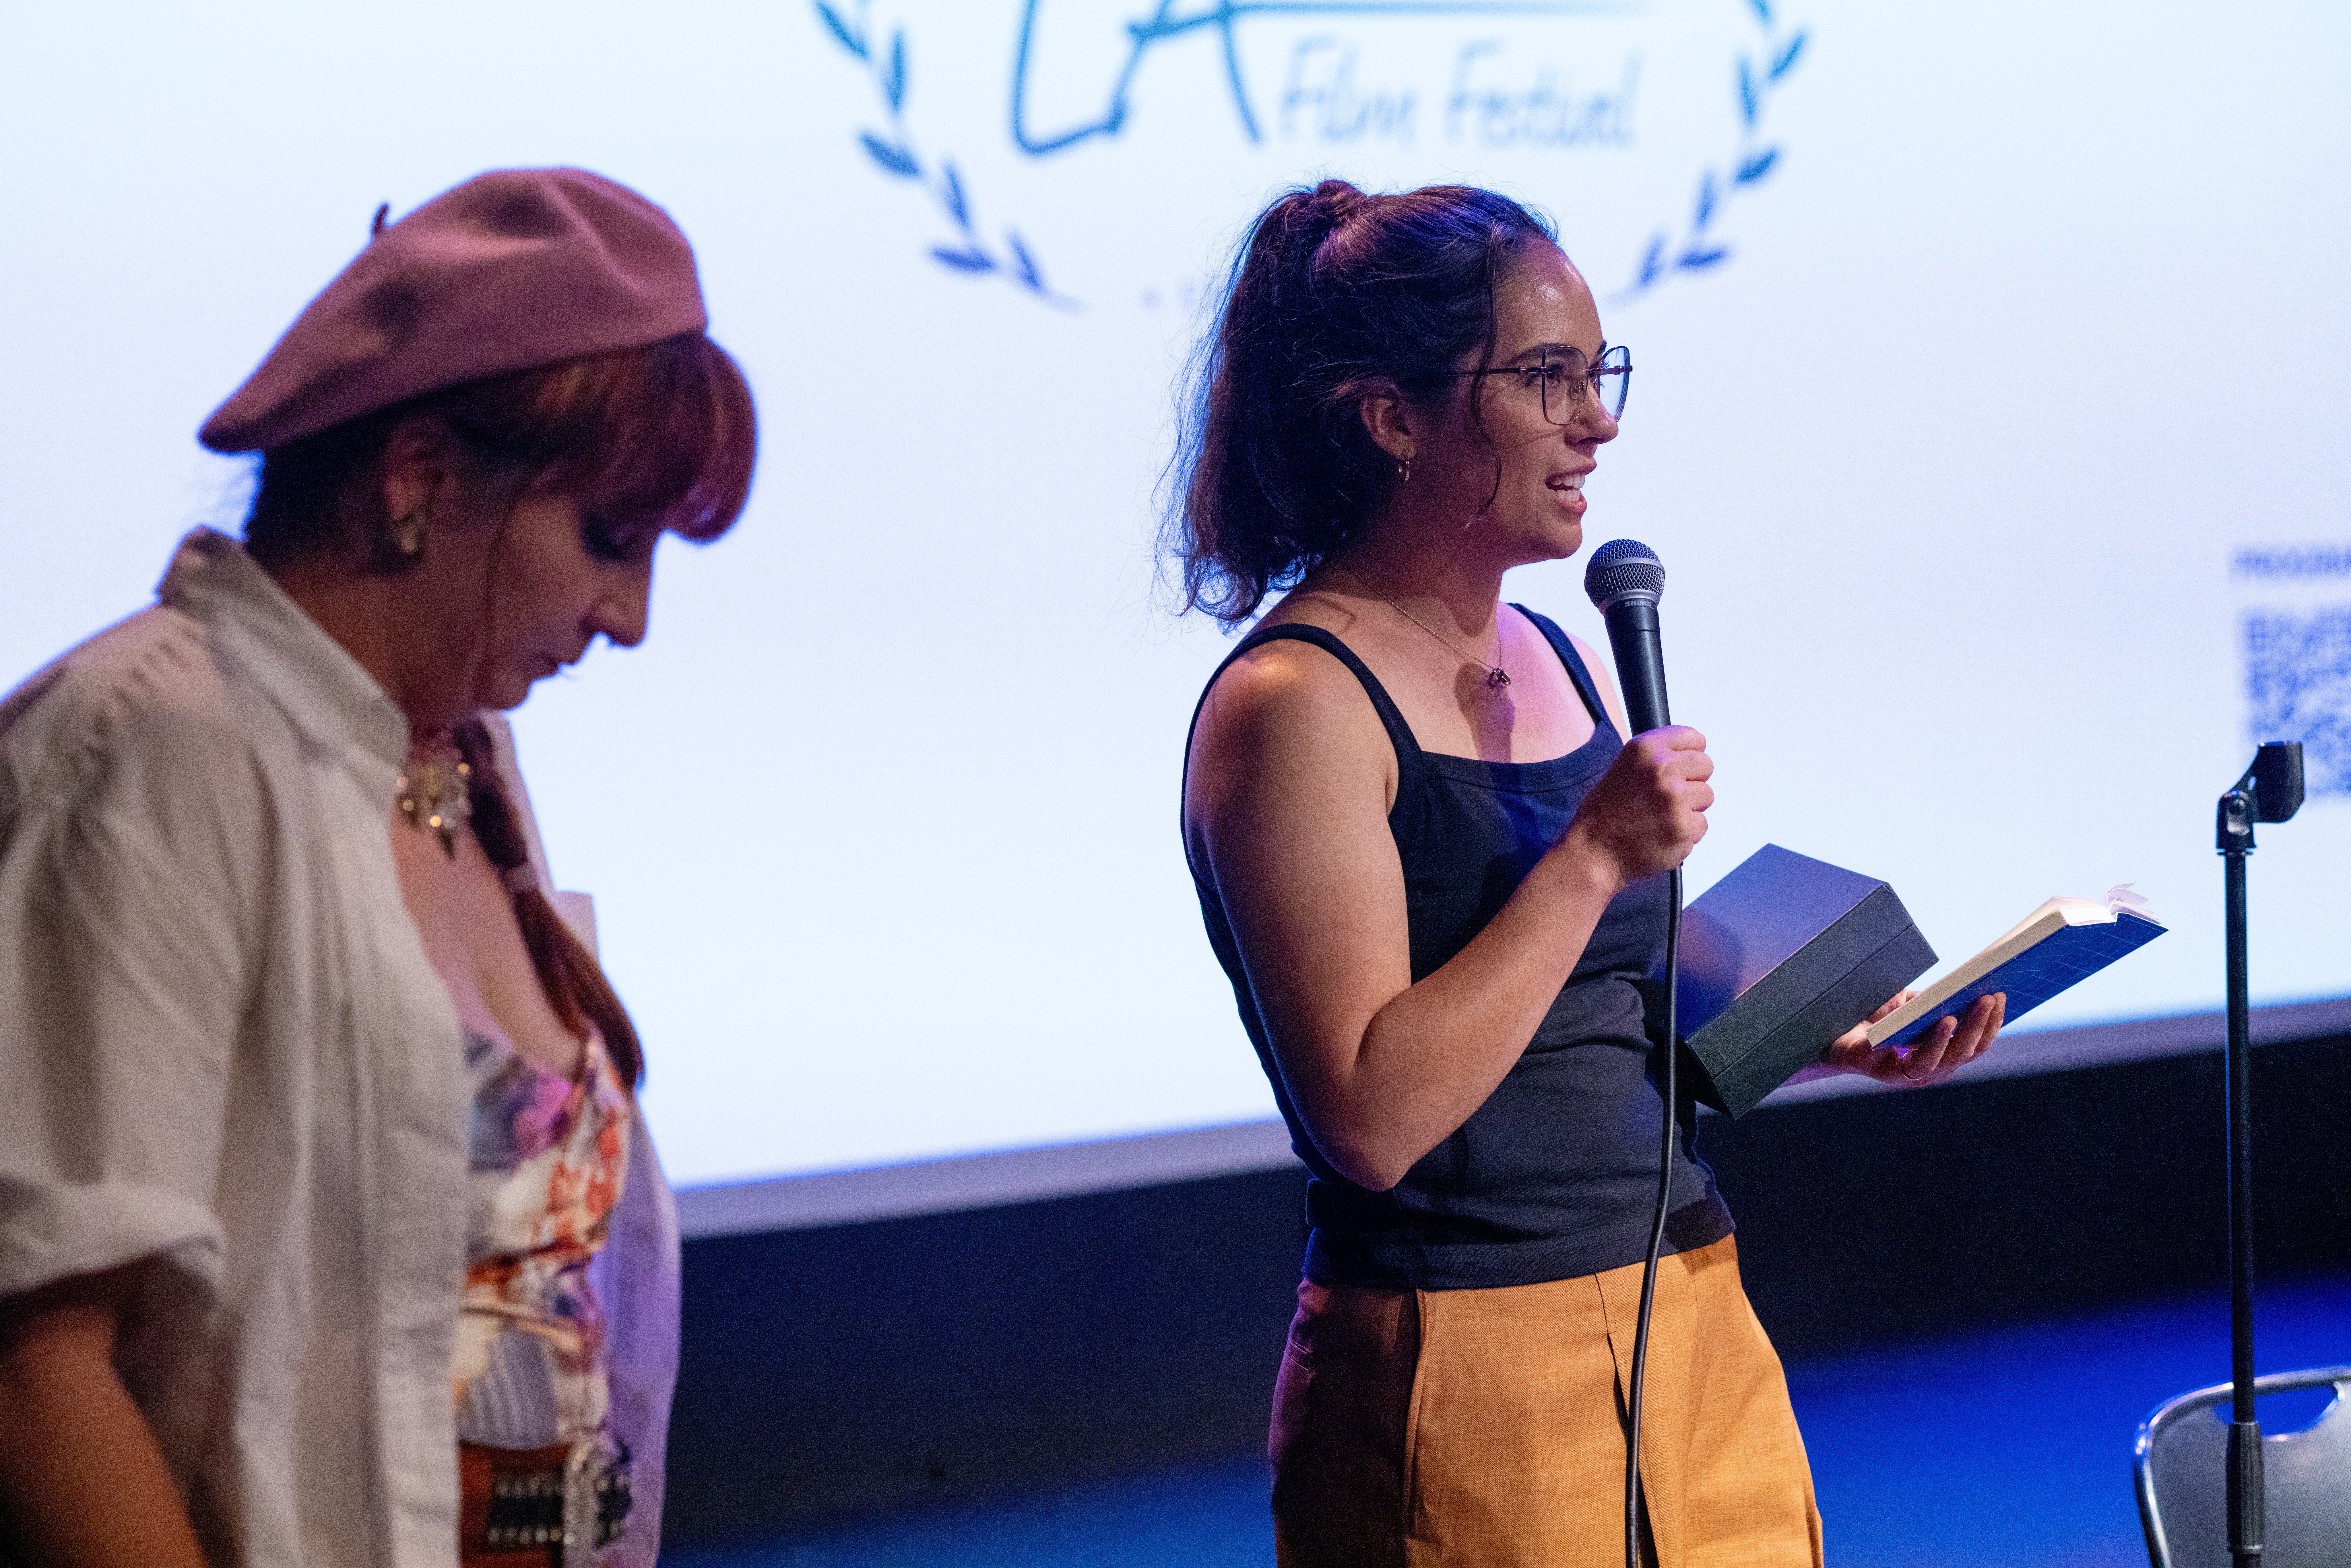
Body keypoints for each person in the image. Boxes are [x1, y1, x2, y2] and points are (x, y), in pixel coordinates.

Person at [1172, 180, 2005, 1567]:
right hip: (1467, 1354)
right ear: (1390, 416)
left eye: (1596, 372)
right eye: (1546, 379)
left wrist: (1826, 1035)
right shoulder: (1291, 705)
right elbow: (1371, 1116)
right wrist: (1589, 858)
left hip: (1688, 1303)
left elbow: (1595, 1008)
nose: (1596, 421)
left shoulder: (1553, 651)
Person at [0, 167, 754, 1568]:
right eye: (608, 535)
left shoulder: (462, 758)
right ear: (417, 477)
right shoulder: (152, 746)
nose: (630, 617)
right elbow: (34, 1369)